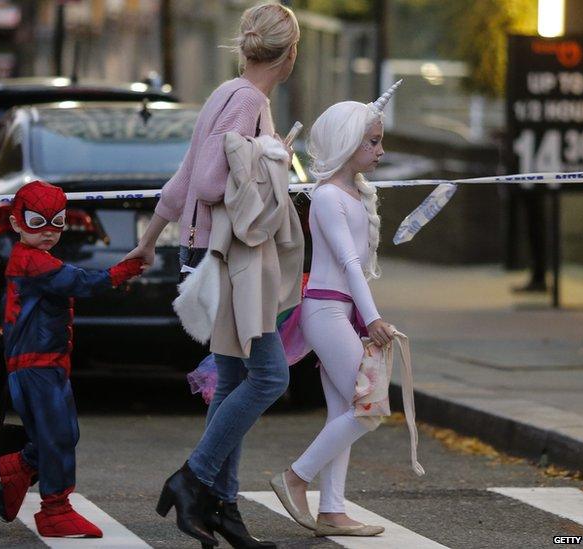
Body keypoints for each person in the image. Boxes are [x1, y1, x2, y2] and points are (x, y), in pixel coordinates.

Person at [125, 3, 301, 548]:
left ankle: (224, 511)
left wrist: (149, 239)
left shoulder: (226, 93)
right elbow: (205, 181)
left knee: (230, 381)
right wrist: (268, 157)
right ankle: (193, 479)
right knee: (270, 377)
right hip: (231, 261)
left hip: (207, 252)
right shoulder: (248, 101)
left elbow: (181, 180)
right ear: (289, 53)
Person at [268, 83, 403, 538]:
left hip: (337, 312)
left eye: (380, 140)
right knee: (370, 406)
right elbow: (347, 264)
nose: (381, 149)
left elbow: (357, 268)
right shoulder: (327, 197)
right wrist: (374, 318)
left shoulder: (353, 195)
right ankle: (295, 477)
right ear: (348, 143)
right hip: (326, 312)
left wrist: (365, 316)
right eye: (373, 141)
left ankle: (332, 510)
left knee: (346, 408)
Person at [0, 180, 145, 538]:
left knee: (62, 434)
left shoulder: (36, 259)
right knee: (57, 436)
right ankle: (55, 509)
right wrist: (123, 270)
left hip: (46, 365)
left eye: (57, 222)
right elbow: (81, 283)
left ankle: (10, 471)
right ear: (17, 222)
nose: (49, 232)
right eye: (38, 222)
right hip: (36, 367)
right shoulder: (31, 262)